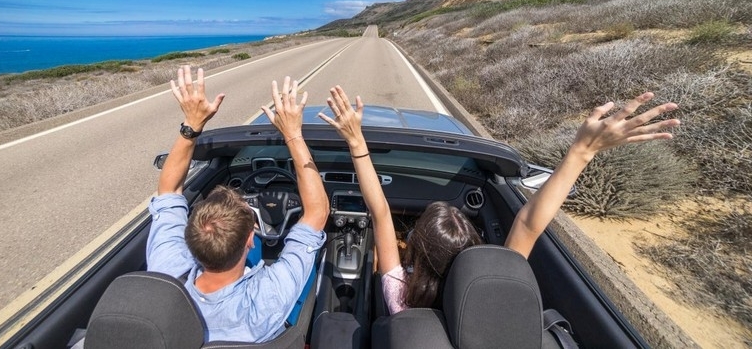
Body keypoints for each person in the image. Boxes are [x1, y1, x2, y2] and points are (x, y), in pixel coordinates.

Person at [319, 85, 680, 314]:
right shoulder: (490, 297)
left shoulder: (399, 293)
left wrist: (356, 141)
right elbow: (528, 222)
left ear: (413, 251)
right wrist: (583, 151)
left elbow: (380, 212)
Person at [146, 66, 329, 343]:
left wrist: (191, 125)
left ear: (189, 239)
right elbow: (318, 211)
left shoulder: (168, 272)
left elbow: (169, 189)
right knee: (312, 267)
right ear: (250, 240)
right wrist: (292, 133)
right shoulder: (267, 300)